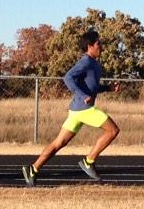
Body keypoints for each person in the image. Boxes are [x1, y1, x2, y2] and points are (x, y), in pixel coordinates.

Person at [22, 30, 120, 185]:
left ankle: (33, 169)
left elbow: (92, 87)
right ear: (90, 46)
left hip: (76, 111)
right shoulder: (85, 62)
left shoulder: (94, 64)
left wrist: (107, 88)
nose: (101, 46)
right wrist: (82, 95)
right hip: (84, 109)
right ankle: (88, 161)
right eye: (98, 44)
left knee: (58, 143)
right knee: (113, 130)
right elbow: (67, 78)